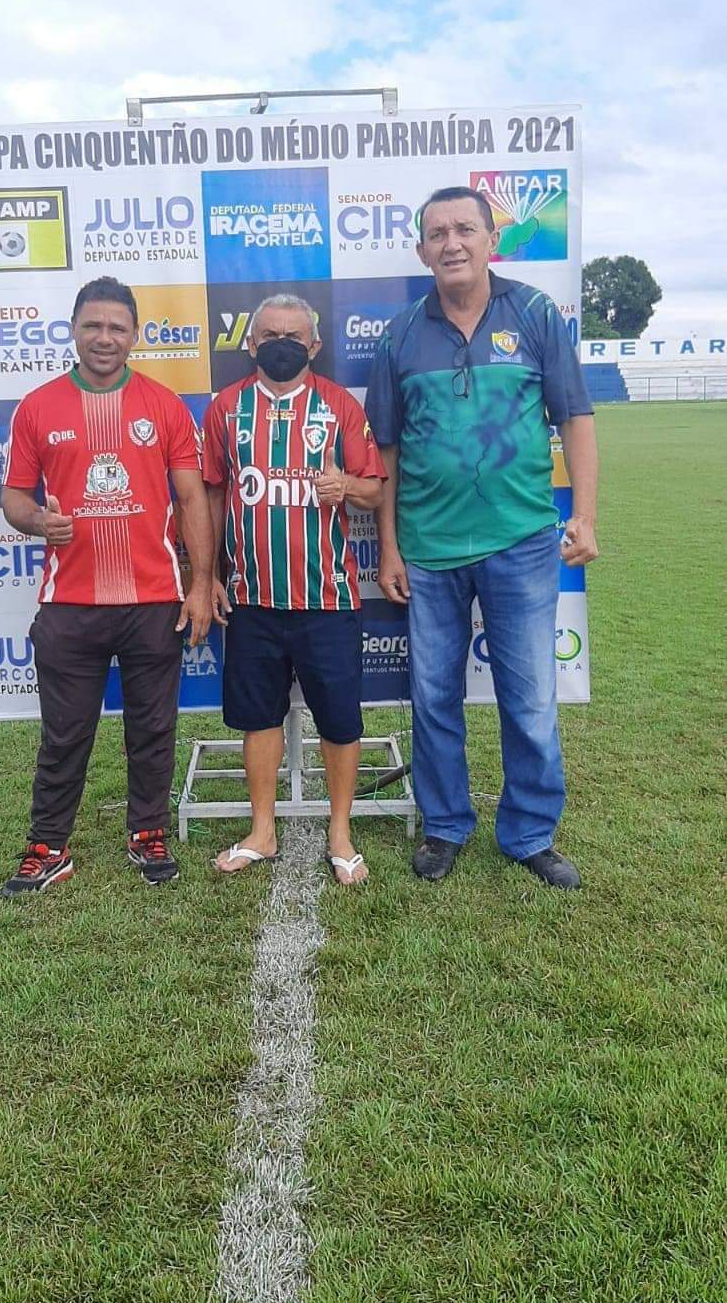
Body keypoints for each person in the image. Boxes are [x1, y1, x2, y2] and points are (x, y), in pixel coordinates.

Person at [365, 186, 598, 890]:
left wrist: (584, 513)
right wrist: (390, 546)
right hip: (428, 549)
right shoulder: (401, 334)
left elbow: (576, 417)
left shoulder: (532, 314)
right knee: (433, 698)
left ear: (490, 238)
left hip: (522, 540)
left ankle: (529, 832)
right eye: (437, 233)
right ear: (421, 250)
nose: (452, 243)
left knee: (528, 698)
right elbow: (387, 453)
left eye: (465, 228)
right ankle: (445, 826)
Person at [0, 276, 212, 895]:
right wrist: (37, 519)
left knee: (152, 728)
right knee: (64, 733)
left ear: (136, 336)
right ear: (72, 330)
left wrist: (200, 584)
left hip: (152, 601)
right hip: (70, 603)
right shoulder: (37, 406)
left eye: (118, 328)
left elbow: (192, 496)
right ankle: (48, 845)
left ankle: (147, 833)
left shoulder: (165, 405)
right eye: (93, 325)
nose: (104, 338)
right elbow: (13, 496)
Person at [202, 295, 385, 886]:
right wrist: (204, 575)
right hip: (252, 597)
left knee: (340, 720)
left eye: (295, 335)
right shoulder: (225, 409)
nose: (282, 342)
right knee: (259, 719)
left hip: (328, 598)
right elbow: (209, 494)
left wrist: (346, 486)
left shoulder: (338, 406)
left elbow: (376, 491)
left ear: (315, 345)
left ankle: (340, 831)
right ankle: (263, 829)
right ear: (251, 343)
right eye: (270, 334)